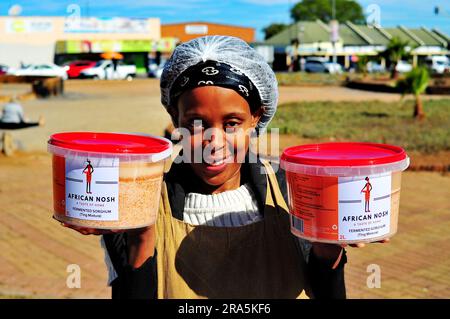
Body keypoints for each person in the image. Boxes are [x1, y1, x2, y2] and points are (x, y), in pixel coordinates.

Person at [62, 36, 387, 299]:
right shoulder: (139, 201)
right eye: (196, 123)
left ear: (257, 118)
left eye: (232, 123)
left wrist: (326, 248)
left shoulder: (294, 193)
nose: (213, 141)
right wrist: (141, 237)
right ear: (175, 119)